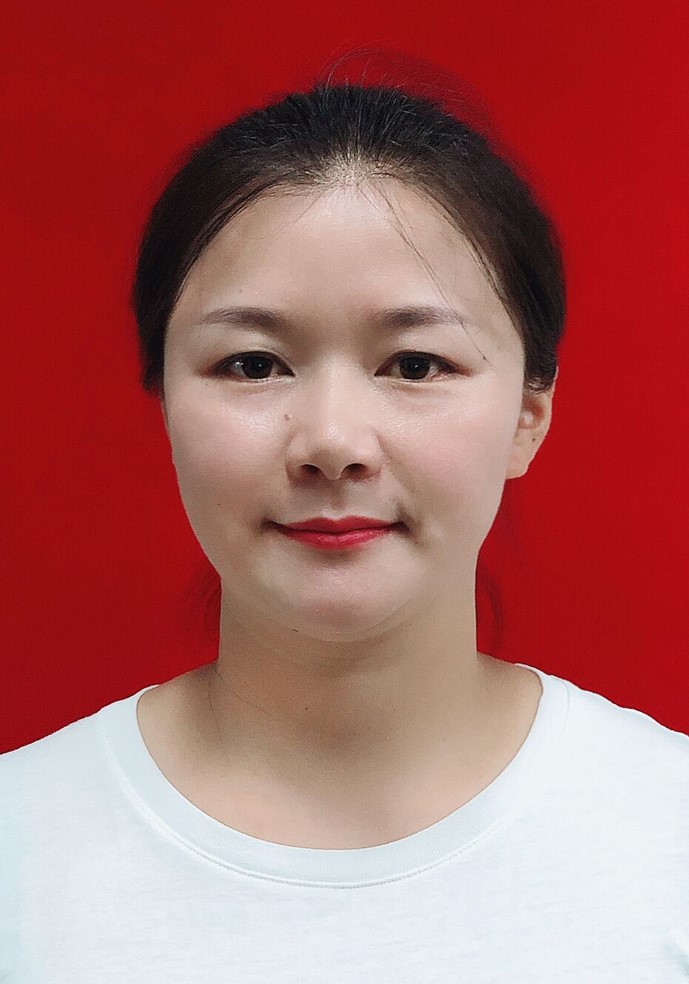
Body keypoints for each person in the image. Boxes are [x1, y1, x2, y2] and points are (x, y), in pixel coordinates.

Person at [2, 76, 688, 982]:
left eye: (415, 363)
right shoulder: (21, 853)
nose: (331, 441)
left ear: (530, 413)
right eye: (254, 364)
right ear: (164, 403)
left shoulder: (666, 836)